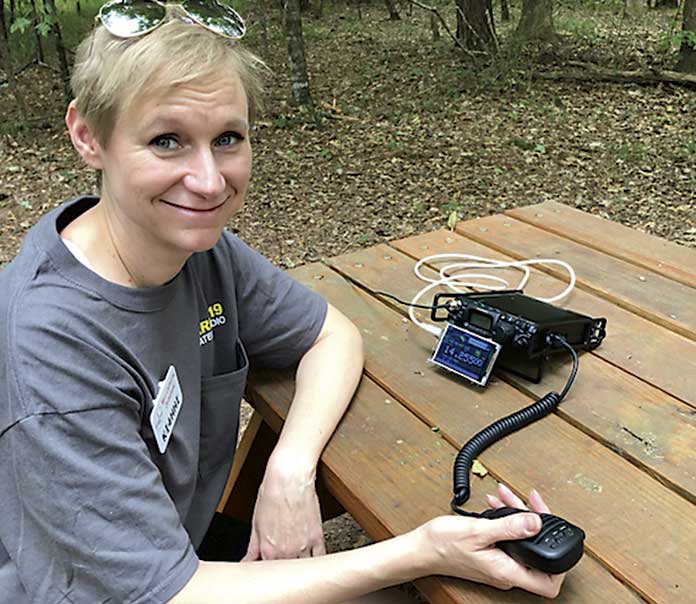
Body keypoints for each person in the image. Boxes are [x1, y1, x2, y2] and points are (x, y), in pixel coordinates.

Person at [0, 1, 567, 602]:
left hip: (179, 550)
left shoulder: (198, 250)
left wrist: (289, 468)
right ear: (88, 135)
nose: (209, 180)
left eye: (227, 139)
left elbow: (331, 336)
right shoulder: (53, 342)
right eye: (167, 141)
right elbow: (167, 594)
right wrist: (421, 551)